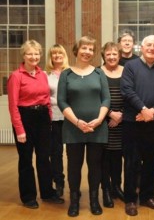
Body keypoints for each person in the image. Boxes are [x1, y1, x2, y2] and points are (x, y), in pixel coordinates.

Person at [7, 40, 64, 209]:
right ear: (23, 56)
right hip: (25, 118)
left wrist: (49, 118)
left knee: (44, 158)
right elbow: (13, 106)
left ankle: (47, 193)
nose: (34, 57)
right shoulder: (16, 76)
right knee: (26, 160)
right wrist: (19, 130)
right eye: (30, 53)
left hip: (43, 118)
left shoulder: (42, 75)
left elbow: (46, 99)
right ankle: (28, 196)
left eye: (37, 53)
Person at [57, 36, 110, 217]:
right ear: (76, 50)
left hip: (97, 127)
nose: (87, 52)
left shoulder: (99, 73)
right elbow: (62, 101)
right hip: (73, 128)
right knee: (74, 166)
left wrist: (99, 120)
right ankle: (74, 202)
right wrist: (78, 122)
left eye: (90, 49)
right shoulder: (66, 74)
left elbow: (106, 99)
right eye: (84, 48)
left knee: (95, 165)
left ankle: (95, 201)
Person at [120, 35, 154, 216]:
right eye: (148, 45)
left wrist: (153, 112)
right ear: (141, 48)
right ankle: (130, 200)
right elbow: (127, 90)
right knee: (131, 162)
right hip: (132, 122)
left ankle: (147, 196)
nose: (151, 48)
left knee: (151, 161)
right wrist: (143, 109)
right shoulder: (130, 67)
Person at [100, 42, 125, 208]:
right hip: (103, 121)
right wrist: (110, 114)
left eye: (114, 54)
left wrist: (121, 114)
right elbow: (95, 96)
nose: (111, 57)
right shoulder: (97, 72)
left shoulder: (126, 71)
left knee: (118, 157)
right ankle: (106, 190)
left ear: (119, 55)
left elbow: (132, 94)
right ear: (103, 56)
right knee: (104, 158)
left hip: (123, 121)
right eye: (108, 54)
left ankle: (117, 186)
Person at [46, 44, 69, 197]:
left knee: (74, 153)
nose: (57, 56)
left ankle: (74, 185)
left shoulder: (71, 73)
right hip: (53, 117)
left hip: (71, 117)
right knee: (56, 152)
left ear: (64, 55)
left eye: (60, 53)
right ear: (51, 57)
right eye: (54, 54)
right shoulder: (45, 75)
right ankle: (59, 182)